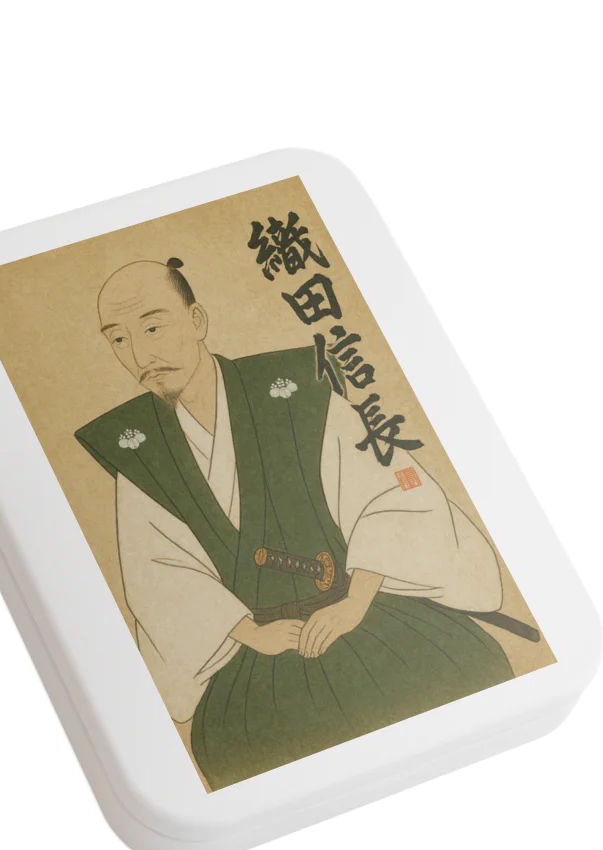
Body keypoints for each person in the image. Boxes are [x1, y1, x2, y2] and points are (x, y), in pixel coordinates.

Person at [76, 258, 520, 789]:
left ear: (196, 319)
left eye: (152, 327)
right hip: (262, 651)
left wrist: (354, 604)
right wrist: (251, 633)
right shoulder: (137, 446)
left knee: (449, 684)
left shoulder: (292, 390)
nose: (139, 354)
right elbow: (160, 577)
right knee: (251, 753)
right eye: (119, 339)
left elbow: (389, 490)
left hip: (359, 613)